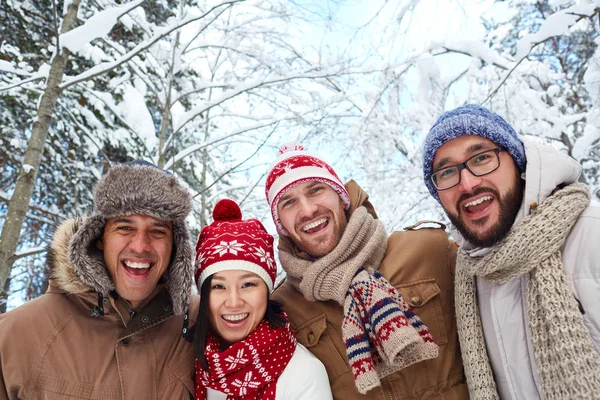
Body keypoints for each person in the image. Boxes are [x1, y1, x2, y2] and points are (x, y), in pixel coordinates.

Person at [422, 104, 600, 399]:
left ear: (516, 162)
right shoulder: (469, 276)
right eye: (446, 172)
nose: (467, 183)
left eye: (481, 158)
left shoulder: (591, 236)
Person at [263, 143, 468, 399]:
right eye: (288, 202)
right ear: (281, 224)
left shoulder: (429, 250)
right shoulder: (281, 309)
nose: (307, 210)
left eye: (316, 190)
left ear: (341, 196)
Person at [0, 161, 199, 399]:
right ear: (98, 237)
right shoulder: (16, 335)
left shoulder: (200, 322)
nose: (140, 246)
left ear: (175, 246)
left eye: (158, 231)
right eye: (125, 227)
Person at [192, 198, 332, 400]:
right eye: (219, 286)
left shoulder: (302, 373)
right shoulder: (196, 361)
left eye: (248, 285)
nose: (233, 302)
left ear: (267, 291)